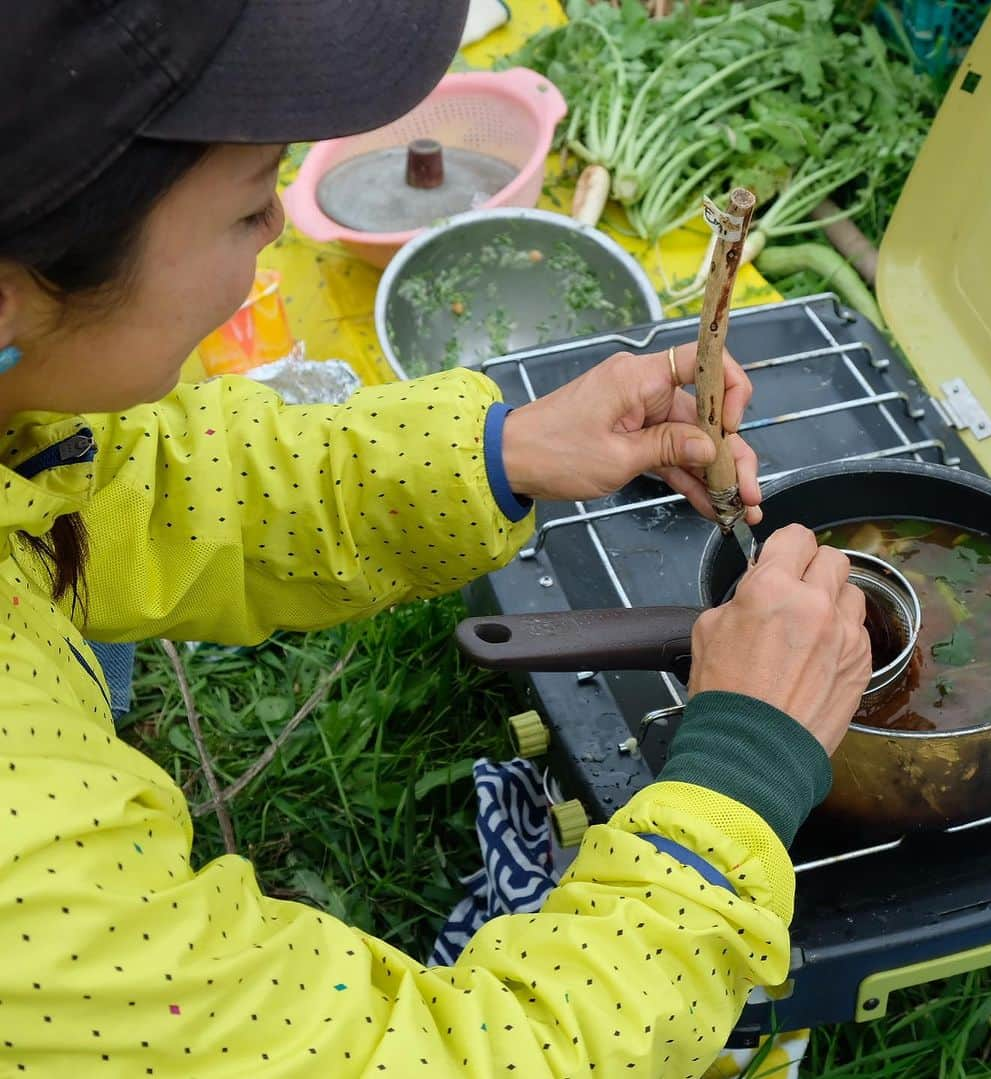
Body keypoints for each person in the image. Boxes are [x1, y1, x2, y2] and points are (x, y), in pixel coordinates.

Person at [0, 2, 871, 1075]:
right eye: (246, 203)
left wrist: (505, 450)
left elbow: (130, 486)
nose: (277, 225)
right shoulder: (31, 873)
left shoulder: (18, 419)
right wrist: (734, 785)